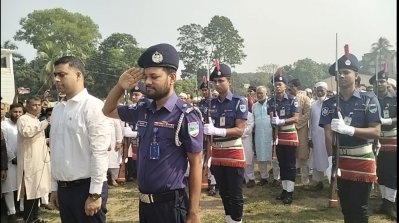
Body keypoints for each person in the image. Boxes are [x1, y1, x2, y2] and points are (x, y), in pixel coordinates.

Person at [102, 43, 203, 223]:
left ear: (172, 78)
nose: (147, 82)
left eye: (154, 77)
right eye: (146, 76)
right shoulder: (143, 108)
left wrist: (193, 212)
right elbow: (108, 110)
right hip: (144, 204)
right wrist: (120, 86)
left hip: (170, 206)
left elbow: (195, 163)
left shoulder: (185, 115)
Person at [320, 52, 381, 223]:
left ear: (356, 75)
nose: (341, 75)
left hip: (361, 159)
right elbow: (327, 132)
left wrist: (350, 130)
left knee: (359, 209)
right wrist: (331, 159)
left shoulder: (368, 99)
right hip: (340, 159)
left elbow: (376, 131)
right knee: (346, 208)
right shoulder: (329, 103)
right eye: (339, 72)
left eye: (346, 71)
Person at [49, 56, 110, 223]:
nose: (56, 79)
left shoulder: (93, 106)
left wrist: (95, 193)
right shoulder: (58, 110)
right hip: (64, 189)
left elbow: (99, 152)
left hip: (87, 188)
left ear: (78, 75)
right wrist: (54, 188)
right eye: (55, 75)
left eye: (62, 74)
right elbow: (55, 152)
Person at [204, 63, 248, 223]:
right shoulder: (211, 104)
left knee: (235, 193)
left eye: (221, 80)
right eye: (214, 81)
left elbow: (240, 130)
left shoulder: (238, 101)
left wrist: (218, 131)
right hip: (217, 153)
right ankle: (229, 220)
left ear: (229, 81)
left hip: (233, 152)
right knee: (224, 193)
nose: (217, 84)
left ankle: (237, 220)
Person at [16, 97, 51, 223]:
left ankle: (35, 216)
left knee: (37, 189)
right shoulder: (23, 119)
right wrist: (45, 122)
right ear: (27, 106)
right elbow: (27, 133)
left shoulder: (35, 119)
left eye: (39, 105)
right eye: (34, 105)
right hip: (29, 161)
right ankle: (29, 218)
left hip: (39, 160)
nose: (37, 107)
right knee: (30, 191)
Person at [267, 74, 299, 205]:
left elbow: (296, 118)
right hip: (278, 136)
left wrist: (282, 121)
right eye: (275, 85)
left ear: (285, 86)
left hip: (290, 135)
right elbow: (271, 118)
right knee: (282, 164)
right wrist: (274, 121)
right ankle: (284, 189)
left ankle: (290, 192)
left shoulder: (292, 99)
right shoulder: (271, 101)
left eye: (280, 84)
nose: (277, 87)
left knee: (290, 165)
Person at [369, 70, 397, 220]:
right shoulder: (372, 99)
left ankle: (390, 203)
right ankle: (383, 202)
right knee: (381, 173)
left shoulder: (394, 99)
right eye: (377, 82)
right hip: (376, 140)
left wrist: (389, 121)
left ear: (387, 83)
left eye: (382, 81)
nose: (379, 84)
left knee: (392, 173)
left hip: (392, 139)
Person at [1, 103, 24, 222]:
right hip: (9, 162)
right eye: (15, 112)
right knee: (9, 189)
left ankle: (21, 209)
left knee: (21, 187)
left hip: (23, 160)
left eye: (20, 112)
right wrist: (13, 157)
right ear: (10, 112)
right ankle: (12, 212)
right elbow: (4, 145)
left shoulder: (23, 124)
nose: (18, 114)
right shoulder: (3, 125)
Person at [252, 86, 279, 187]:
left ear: (266, 93)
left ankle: (277, 178)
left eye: (261, 93)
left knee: (274, 158)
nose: (259, 95)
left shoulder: (272, 103)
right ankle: (264, 177)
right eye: (257, 93)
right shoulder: (254, 106)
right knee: (260, 157)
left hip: (270, 133)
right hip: (259, 135)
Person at [287, 79, 311, 187]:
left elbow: (307, 114)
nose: (289, 88)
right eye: (289, 86)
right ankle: (290, 179)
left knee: (303, 156)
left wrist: (296, 124)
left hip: (301, 130)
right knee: (290, 155)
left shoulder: (305, 99)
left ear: (297, 87)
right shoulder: (287, 98)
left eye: (291, 86)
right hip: (288, 130)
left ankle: (305, 181)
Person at [307, 82, 331, 191]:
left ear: (326, 91)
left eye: (322, 90)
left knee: (330, 159)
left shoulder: (331, 103)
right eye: (318, 90)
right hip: (316, 137)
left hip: (329, 137)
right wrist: (310, 138)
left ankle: (333, 183)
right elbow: (311, 123)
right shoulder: (313, 105)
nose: (320, 93)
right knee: (317, 159)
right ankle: (319, 182)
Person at [197, 82, 217, 196]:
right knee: (203, 158)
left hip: (214, 134)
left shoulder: (215, 102)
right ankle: (204, 180)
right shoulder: (201, 103)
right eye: (203, 90)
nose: (205, 92)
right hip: (203, 134)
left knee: (212, 158)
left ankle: (213, 183)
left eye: (207, 90)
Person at [123, 82, 146, 182]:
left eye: (137, 95)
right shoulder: (130, 109)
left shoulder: (148, 110)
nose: (134, 97)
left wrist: (135, 133)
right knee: (130, 157)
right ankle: (131, 174)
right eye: (133, 94)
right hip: (132, 141)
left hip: (143, 140)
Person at [107, 117, 123, 187]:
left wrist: (119, 142)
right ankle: (104, 181)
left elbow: (118, 129)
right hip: (102, 142)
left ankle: (113, 179)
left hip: (113, 142)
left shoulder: (113, 117)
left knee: (113, 162)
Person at [242, 109, 255, 188]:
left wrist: (239, 133)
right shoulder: (235, 112)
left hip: (246, 138)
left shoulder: (249, 115)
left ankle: (250, 178)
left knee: (248, 158)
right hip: (236, 138)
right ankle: (242, 177)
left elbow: (250, 127)